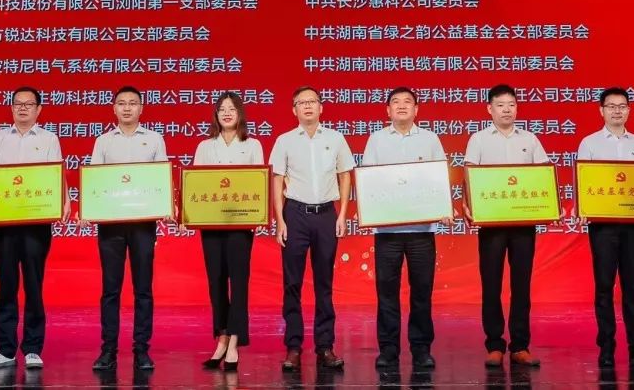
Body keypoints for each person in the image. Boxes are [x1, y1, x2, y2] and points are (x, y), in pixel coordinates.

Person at [0, 86, 70, 370]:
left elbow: (56, 172)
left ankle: (33, 348)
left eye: (29, 104)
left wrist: (65, 199)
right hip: (4, 222)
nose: (23, 108)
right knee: (7, 284)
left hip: (36, 221)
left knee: (34, 285)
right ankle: (5, 349)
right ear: (11, 108)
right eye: (18, 104)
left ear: (39, 109)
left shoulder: (49, 138)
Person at [361, 87, 451, 370]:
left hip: (421, 230)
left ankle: (421, 348)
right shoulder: (376, 140)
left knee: (422, 291)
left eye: (407, 102)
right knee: (387, 292)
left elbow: (440, 177)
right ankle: (388, 349)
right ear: (387, 110)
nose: (401, 106)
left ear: (416, 109)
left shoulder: (430, 139)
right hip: (387, 232)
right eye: (396, 102)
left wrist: (444, 207)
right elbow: (368, 180)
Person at [576, 87, 634, 368]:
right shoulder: (589, 143)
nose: (617, 111)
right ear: (601, 110)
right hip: (603, 226)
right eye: (611, 106)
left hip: (633, 226)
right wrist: (583, 209)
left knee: (632, 286)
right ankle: (606, 346)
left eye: (622, 106)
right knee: (604, 286)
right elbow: (584, 181)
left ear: (629, 110)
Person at [269, 86, 355, 371]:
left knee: (324, 283)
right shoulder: (284, 141)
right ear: (294, 109)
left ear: (321, 107)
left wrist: (343, 214)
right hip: (295, 214)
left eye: (312, 101)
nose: (307, 106)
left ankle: (325, 346)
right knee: (292, 283)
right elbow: (277, 180)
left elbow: (345, 175)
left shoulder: (335, 138)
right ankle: (293, 347)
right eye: (301, 102)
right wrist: (280, 220)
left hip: (326, 215)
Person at [464, 84, 548, 368]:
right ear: (489, 109)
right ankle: (494, 344)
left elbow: (543, 175)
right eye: (500, 105)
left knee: (521, 284)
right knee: (491, 284)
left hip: (523, 223)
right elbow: (469, 175)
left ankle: (520, 345)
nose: (507, 110)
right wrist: (467, 205)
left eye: (511, 104)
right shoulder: (478, 139)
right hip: (492, 223)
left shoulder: (530, 139)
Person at [89, 86, 169, 372]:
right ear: (114, 108)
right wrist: (89, 209)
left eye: (132, 103)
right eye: (121, 103)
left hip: (143, 224)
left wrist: (165, 206)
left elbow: (161, 179)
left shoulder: (154, 139)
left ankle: (141, 350)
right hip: (111, 225)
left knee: (143, 289)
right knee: (110, 290)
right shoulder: (103, 141)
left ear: (141, 108)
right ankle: (108, 349)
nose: (126, 108)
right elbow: (95, 181)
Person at [191, 91, 264, 372]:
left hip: (240, 224)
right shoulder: (205, 146)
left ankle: (234, 341)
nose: (227, 113)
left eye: (232, 108)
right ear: (216, 114)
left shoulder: (252, 145)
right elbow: (196, 184)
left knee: (239, 280)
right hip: (211, 223)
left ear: (240, 113)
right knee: (216, 280)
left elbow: (258, 183)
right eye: (222, 109)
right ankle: (221, 337)